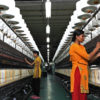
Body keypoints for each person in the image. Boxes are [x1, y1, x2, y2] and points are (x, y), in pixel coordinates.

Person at [69, 29, 100, 100]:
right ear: (77, 36)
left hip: (83, 71)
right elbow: (88, 57)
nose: (84, 38)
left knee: (82, 93)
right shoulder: (74, 46)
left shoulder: (82, 47)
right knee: (77, 92)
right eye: (82, 36)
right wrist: (96, 48)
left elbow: (88, 61)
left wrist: (97, 55)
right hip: (78, 71)